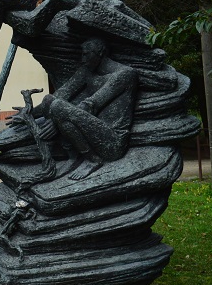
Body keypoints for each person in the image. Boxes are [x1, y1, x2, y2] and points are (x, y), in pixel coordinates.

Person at [31, 38, 137, 180]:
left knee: (57, 106)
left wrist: (57, 119)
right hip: (91, 133)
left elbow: (91, 104)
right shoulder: (87, 71)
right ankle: (74, 156)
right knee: (49, 100)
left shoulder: (125, 74)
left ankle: (93, 160)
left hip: (112, 142)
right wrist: (29, 112)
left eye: (86, 54)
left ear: (100, 53)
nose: (83, 59)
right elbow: (60, 94)